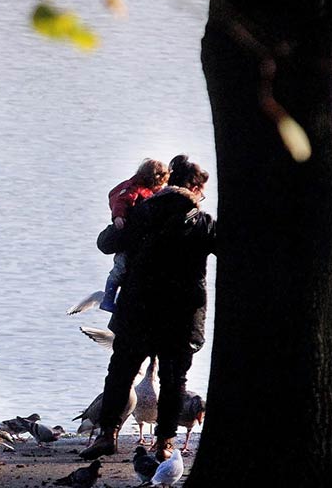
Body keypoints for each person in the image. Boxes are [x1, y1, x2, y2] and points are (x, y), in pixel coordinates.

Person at [79, 155, 216, 462]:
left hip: (137, 311)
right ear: (193, 188)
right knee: (173, 381)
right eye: (202, 192)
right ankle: (165, 442)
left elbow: (105, 243)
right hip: (181, 318)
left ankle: (108, 435)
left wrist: (122, 222)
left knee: (121, 373)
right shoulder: (203, 223)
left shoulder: (144, 210)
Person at [99, 159, 169, 312]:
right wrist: (118, 217)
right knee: (120, 266)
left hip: (134, 237)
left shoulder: (145, 190)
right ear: (153, 179)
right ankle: (108, 299)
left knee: (125, 267)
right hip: (125, 235)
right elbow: (121, 202)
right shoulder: (133, 189)